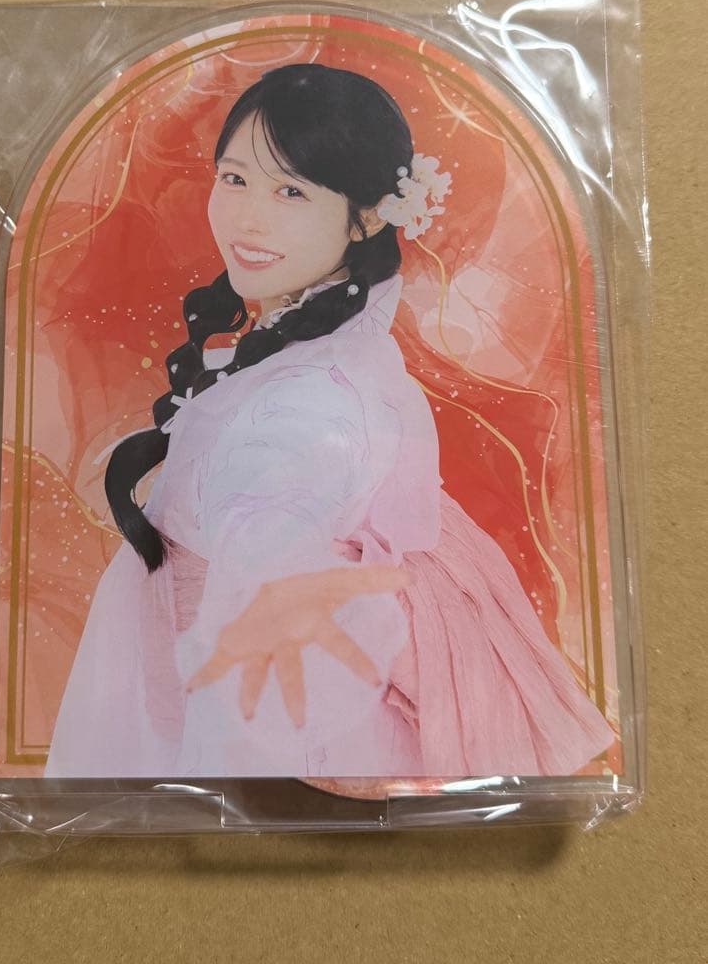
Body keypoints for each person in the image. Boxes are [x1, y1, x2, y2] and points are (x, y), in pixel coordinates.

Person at [44, 63, 614, 780]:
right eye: (235, 179)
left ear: (368, 215)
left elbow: (267, 575)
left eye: (292, 191)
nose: (248, 218)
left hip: (243, 737)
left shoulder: (307, 404)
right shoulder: (315, 354)